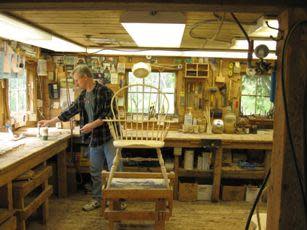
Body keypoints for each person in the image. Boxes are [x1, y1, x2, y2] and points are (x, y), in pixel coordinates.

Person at [39, 64, 116, 211]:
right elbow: (69, 112)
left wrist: (92, 125)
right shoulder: (83, 95)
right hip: (93, 138)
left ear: (85, 77)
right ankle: (97, 199)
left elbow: (108, 115)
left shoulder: (105, 92)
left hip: (107, 137)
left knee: (115, 168)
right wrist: (49, 122)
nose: (76, 83)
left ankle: (119, 199)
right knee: (95, 170)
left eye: (76, 80)